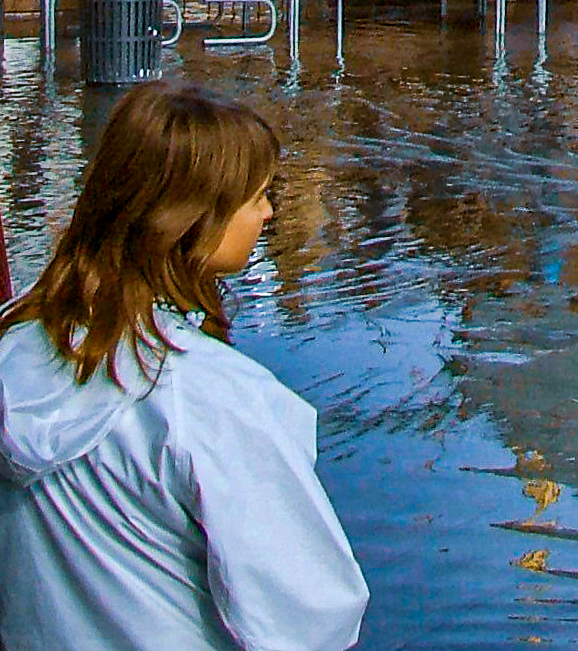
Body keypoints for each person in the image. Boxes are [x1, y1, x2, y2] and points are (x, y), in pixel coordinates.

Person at [0, 81, 369, 651]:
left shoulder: (13, 344)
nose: (270, 213)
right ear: (192, 219)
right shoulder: (212, 401)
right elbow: (307, 620)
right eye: (257, 197)